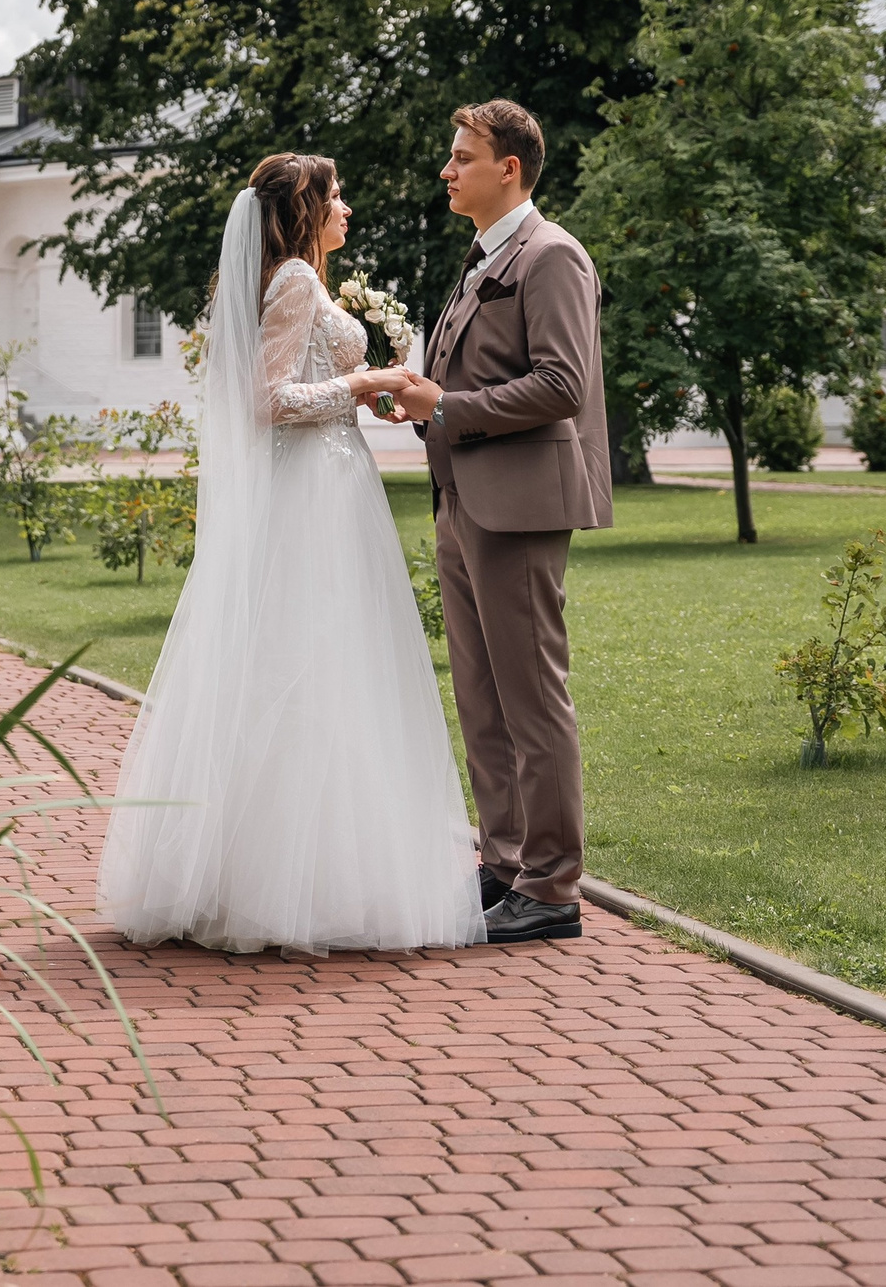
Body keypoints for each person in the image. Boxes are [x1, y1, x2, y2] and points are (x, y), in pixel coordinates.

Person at [96, 153, 487, 953]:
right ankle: (278, 882)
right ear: (304, 207)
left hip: (335, 481)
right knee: (305, 666)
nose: (347, 206)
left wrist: (369, 392)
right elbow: (265, 400)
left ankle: (317, 870)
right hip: (310, 493)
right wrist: (361, 381)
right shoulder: (295, 283)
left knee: (332, 668)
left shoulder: (303, 280)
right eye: (335, 195)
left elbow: (309, 388)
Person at [390, 101, 612, 944]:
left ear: (508, 167)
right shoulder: (483, 256)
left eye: (461, 158)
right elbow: (466, 381)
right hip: (463, 503)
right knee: (482, 699)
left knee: (531, 698)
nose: (447, 171)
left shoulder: (554, 256)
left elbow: (563, 384)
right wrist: (420, 405)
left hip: (518, 511)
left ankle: (552, 887)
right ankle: (505, 862)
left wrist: (448, 405)